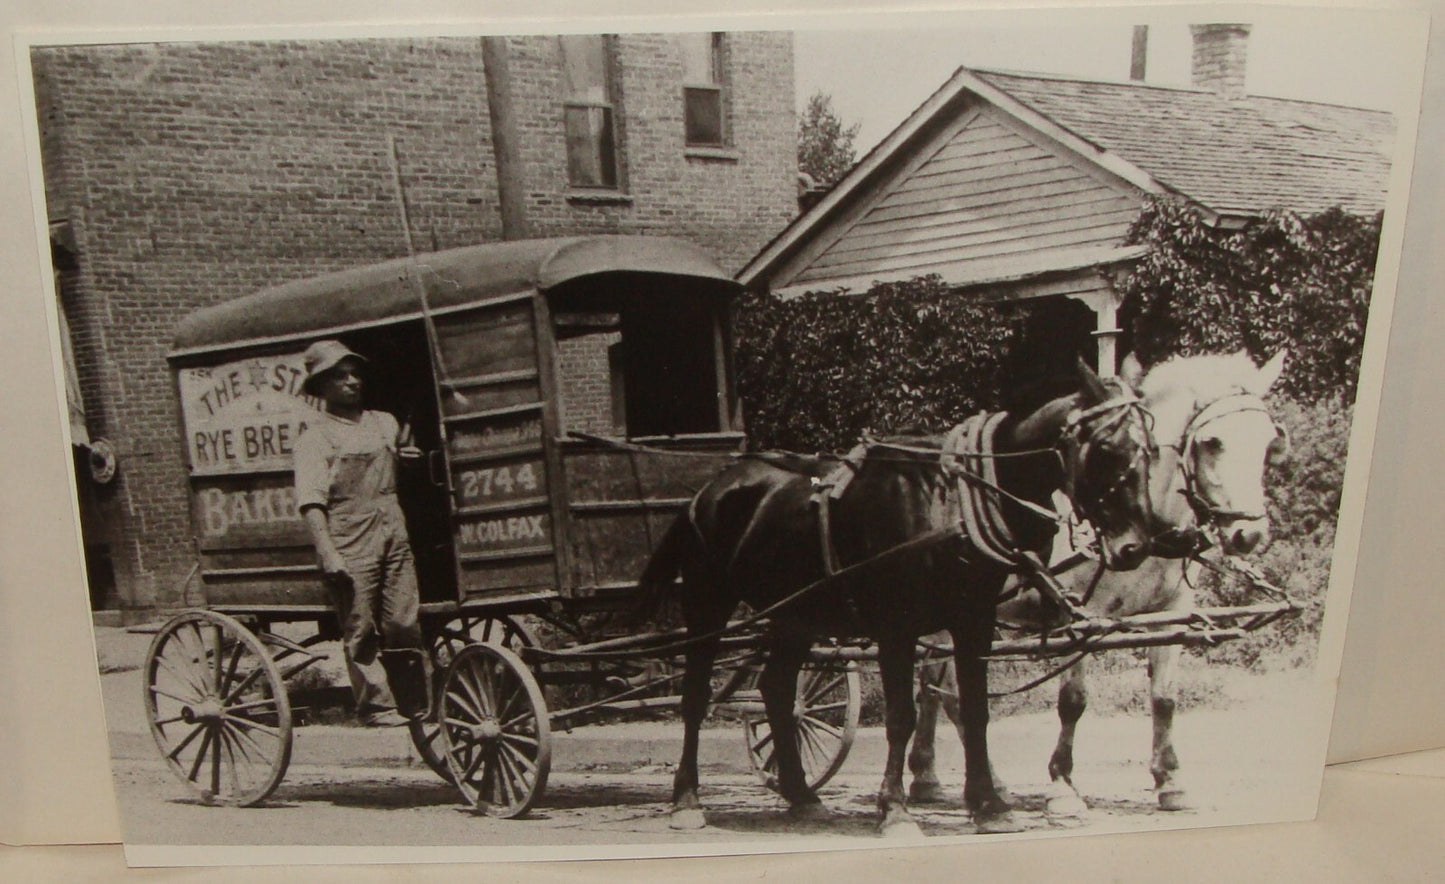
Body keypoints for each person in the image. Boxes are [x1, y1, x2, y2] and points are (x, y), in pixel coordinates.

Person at [293, 340, 430, 727]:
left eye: (355, 373)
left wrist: (410, 461)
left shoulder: (383, 422)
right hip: (349, 534)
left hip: (392, 525)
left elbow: (400, 468)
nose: (352, 382)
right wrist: (329, 552)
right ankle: (376, 705)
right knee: (360, 626)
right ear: (321, 387)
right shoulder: (315, 439)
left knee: (403, 619)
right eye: (340, 376)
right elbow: (311, 502)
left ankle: (415, 699)